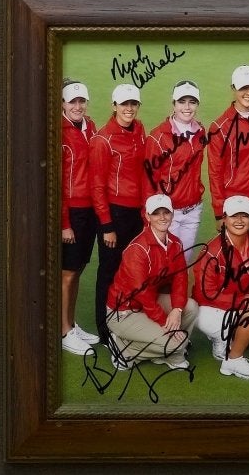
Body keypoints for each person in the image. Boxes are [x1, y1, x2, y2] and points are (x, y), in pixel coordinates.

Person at [187, 194, 249, 380]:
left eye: (244, 216)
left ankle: (229, 339)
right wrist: (243, 301)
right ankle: (232, 359)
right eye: (233, 216)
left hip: (239, 307)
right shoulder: (212, 250)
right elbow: (205, 294)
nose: (239, 221)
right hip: (209, 310)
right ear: (224, 219)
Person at [103, 193, 195, 373]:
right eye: (156, 213)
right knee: (178, 342)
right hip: (124, 311)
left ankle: (167, 351)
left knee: (190, 307)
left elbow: (180, 278)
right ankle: (123, 348)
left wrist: (176, 310)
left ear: (172, 214)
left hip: (147, 305)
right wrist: (164, 324)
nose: (162, 217)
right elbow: (142, 294)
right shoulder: (137, 249)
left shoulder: (175, 243)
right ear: (147, 216)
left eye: (166, 212)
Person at [88, 83, 148, 346]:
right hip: (113, 214)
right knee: (109, 270)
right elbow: (97, 186)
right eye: (124, 104)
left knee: (133, 269)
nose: (129, 109)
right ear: (114, 106)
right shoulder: (102, 140)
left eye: (133, 104)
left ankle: (129, 319)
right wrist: (106, 225)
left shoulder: (140, 130)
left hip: (136, 212)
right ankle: (105, 328)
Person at [206, 64, 249, 239]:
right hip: (234, 202)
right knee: (235, 258)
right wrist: (219, 212)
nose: (248, 92)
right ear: (233, 89)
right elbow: (215, 172)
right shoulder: (220, 127)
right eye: (243, 88)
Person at [58, 81, 100, 356]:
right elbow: (57, 182)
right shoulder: (58, 133)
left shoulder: (91, 127)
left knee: (80, 268)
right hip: (71, 212)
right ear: (62, 104)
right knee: (68, 273)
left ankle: (71, 324)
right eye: (72, 102)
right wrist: (64, 224)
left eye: (81, 101)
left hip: (90, 210)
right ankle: (63, 331)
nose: (77, 106)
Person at [145, 79, 207, 259]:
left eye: (192, 102)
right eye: (182, 102)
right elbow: (149, 181)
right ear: (173, 104)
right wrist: (148, 217)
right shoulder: (157, 137)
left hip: (193, 211)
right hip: (166, 214)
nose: (187, 107)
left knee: (183, 266)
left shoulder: (200, 131)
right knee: (163, 271)